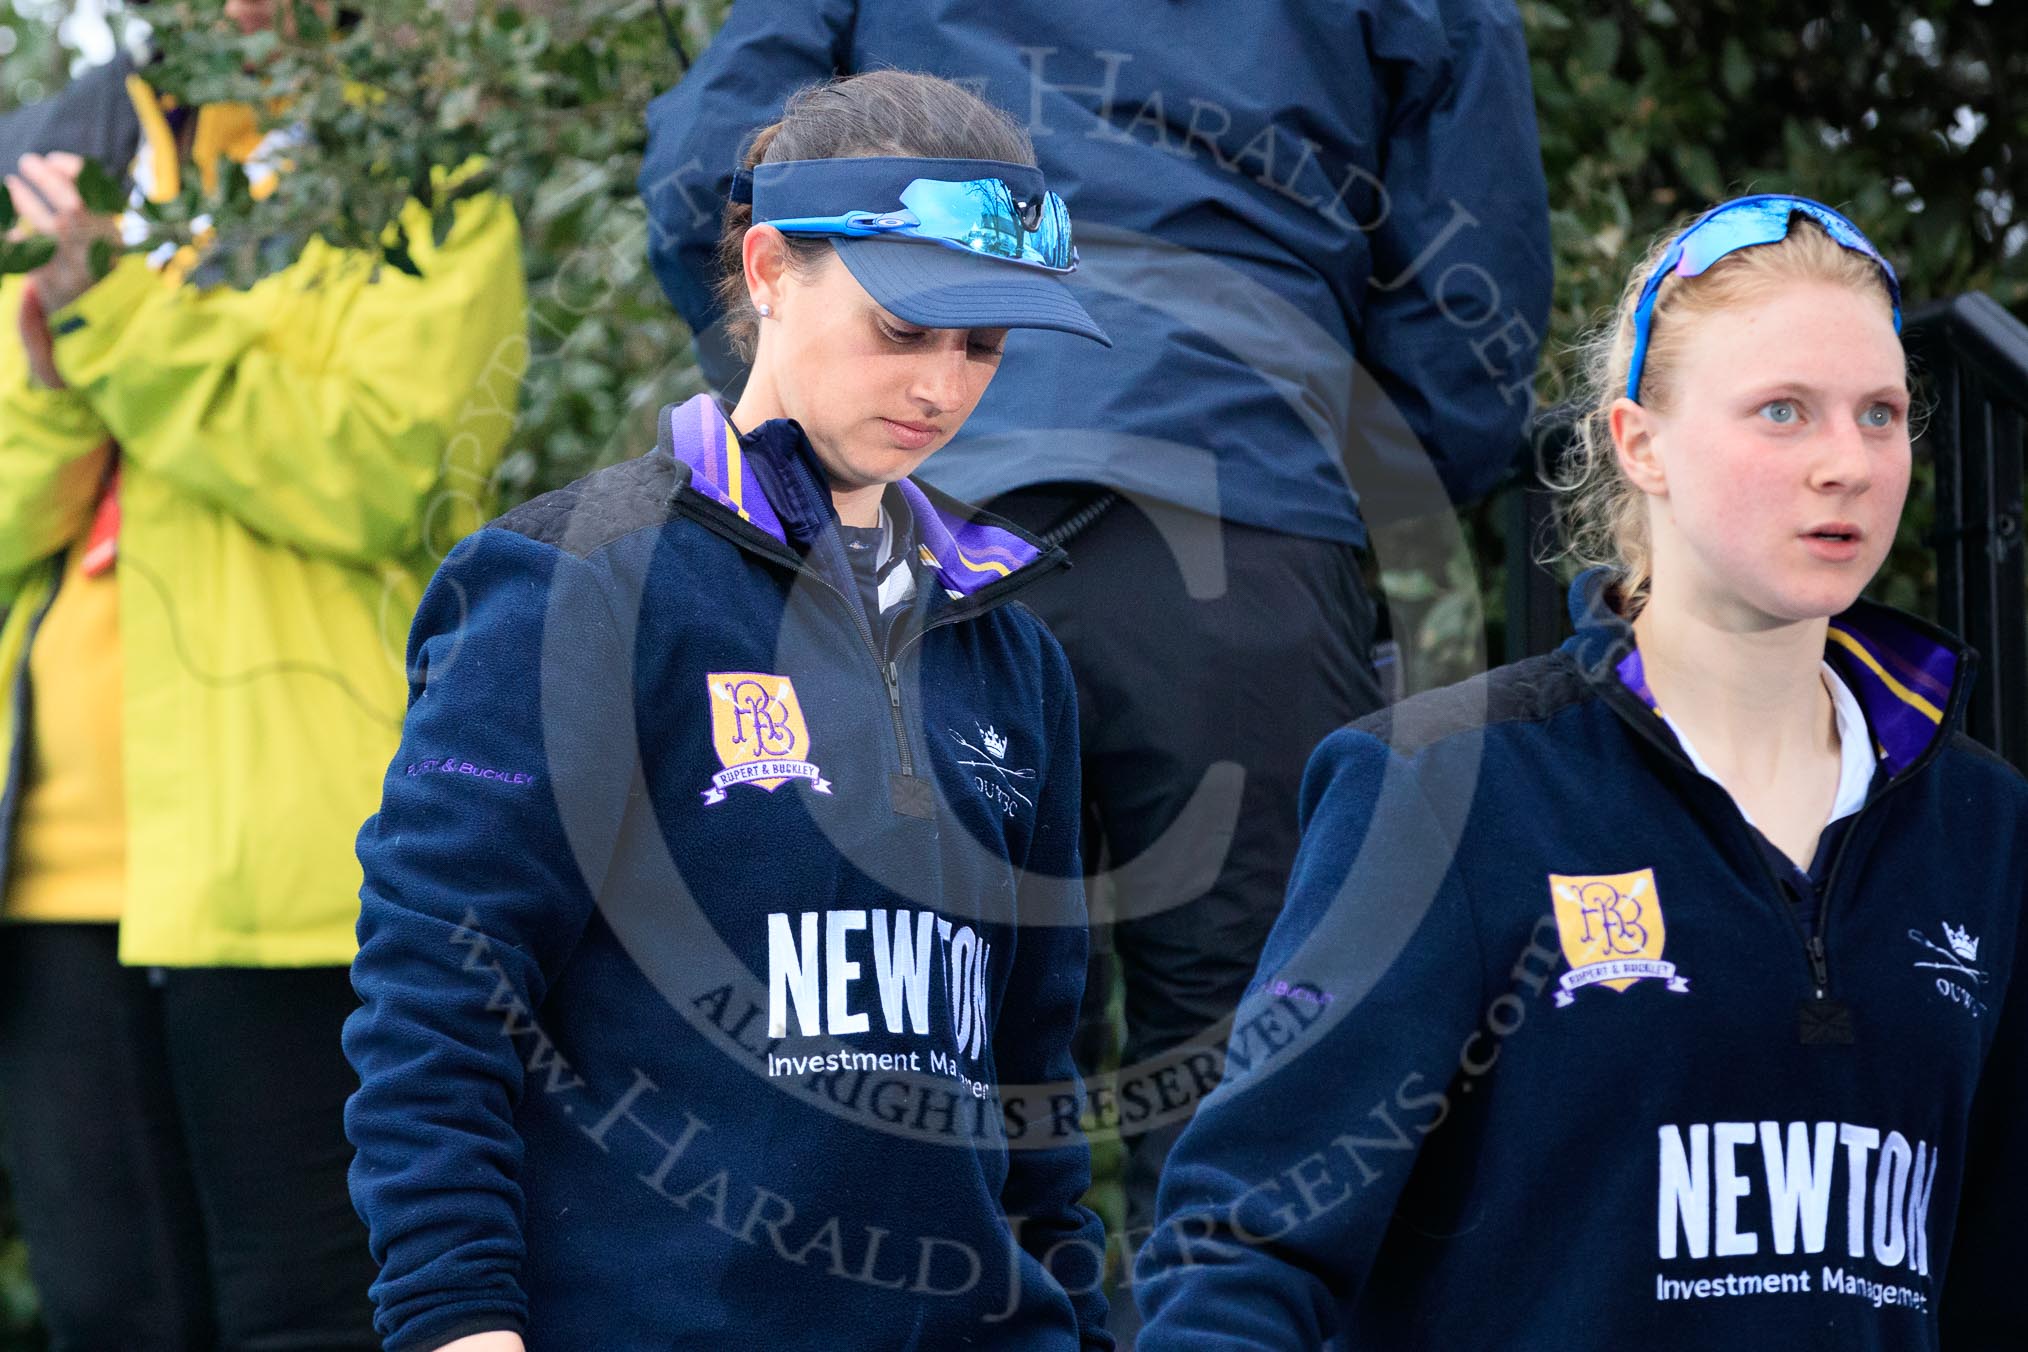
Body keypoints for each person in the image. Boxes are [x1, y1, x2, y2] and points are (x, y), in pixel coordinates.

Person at [639, 1, 1551, 1287]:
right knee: (1255, 1064)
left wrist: (822, 411)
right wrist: (1353, 473)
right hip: (1252, 520)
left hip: (941, 520)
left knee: (902, 1041)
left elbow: (709, 168)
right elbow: (1480, 268)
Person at [1133, 195, 2028, 1348]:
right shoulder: (1444, 790)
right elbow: (1244, 1246)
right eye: (1783, 412)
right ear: (1637, 442)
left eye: (1882, 413)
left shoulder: (1987, 831)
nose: (1846, 464)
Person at [345, 70, 1115, 1351]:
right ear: (767, 269)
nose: (941, 383)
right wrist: (452, 1320)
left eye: (982, 343)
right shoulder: (570, 584)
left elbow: (1036, 1074)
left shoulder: (1014, 650)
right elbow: (439, 992)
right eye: (903, 325)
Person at [0, 0, 526, 1343]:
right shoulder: (51, 161)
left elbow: (380, 468)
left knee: (322, 1317)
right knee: (110, 1317)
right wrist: (59, 377)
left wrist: (110, 319)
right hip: (51, 876)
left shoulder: (424, 175)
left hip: (304, 868)